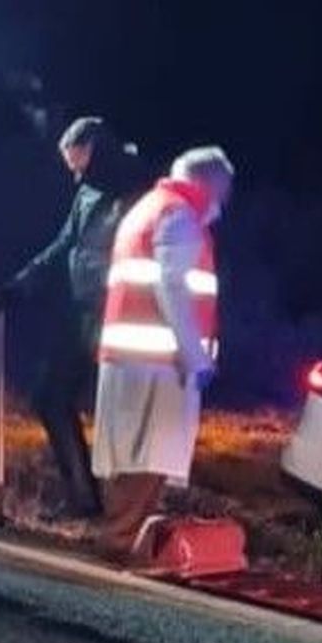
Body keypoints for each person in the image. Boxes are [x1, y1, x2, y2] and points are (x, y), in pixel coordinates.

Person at [0, 116, 145, 519]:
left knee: (117, 413)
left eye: (78, 164)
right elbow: (65, 243)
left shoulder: (136, 188)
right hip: (82, 310)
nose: (75, 176)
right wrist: (18, 285)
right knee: (49, 396)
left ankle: (119, 510)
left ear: (95, 150)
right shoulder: (89, 191)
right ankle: (84, 498)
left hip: (117, 314)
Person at [92, 146, 234, 562]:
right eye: (223, 189)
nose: (223, 200)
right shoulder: (180, 217)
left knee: (131, 456)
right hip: (158, 363)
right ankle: (119, 544)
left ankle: (119, 539)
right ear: (206, 184)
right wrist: (197, 358)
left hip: (132, 357)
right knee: (147, 458)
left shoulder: (149, 208)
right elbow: (173, 290)